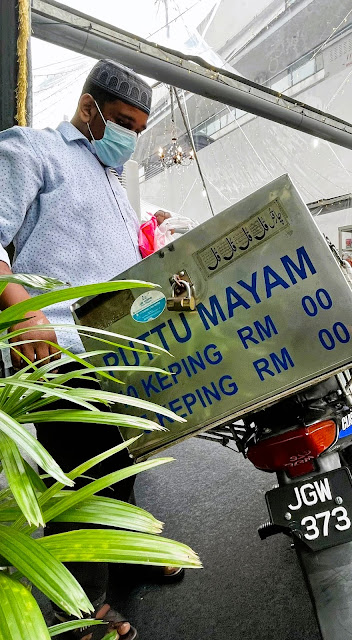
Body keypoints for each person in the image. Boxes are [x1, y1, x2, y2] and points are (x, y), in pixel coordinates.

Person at [0, 59, 181, 640]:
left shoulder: (113, 184)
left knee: (119, 463)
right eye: (123, 121)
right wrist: (24, 313)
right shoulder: (32, 151)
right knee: (76, 478)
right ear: (88, 108)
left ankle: (123, 549)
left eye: (139, 128)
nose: (129, 137)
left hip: (112, 351)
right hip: (52, 354)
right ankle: (78, 609)